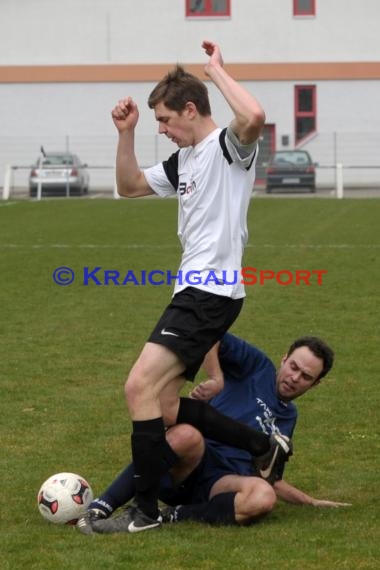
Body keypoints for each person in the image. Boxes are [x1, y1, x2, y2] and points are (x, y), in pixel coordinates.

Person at [105, 39, 293, 534]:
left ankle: (143, 513)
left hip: (208, 291)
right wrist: (127, 134)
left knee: (138, 386)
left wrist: (214, 71)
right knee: (164, 408)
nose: (162, 130)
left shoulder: (227, 148)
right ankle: (260, 445)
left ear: (192, 108)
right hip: (195, 291)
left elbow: (253, 113)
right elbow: (128, 187)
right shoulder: (184, 159)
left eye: (165, 120)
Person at [77, 333, 350, 534]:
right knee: (187, 435)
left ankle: (171, 516)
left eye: (306, 376)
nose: (295, 378)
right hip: (188, 465)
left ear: (315, 384)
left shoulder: (290, 417)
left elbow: (270, 475)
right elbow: (210, 335)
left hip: (221, 486)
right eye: (294, 367)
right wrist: (216, 378)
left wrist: (309, 501)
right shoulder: (257, 367)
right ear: (284, 359)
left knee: (263, 496)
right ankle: (100, 507)